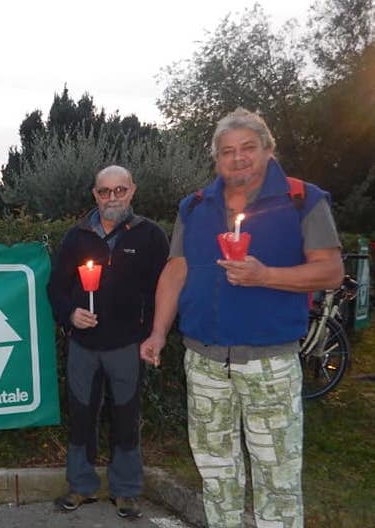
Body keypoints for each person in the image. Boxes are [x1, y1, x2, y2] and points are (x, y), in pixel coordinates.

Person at [140, 108, 344, 528]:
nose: (238, 158)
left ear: (269, 149)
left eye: (248, 148)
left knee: (277, 474)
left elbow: (330, 271)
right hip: (204, 361)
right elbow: (176, 270)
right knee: (216, 471)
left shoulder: (302, 199)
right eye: (227, 151)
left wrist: (265, 275)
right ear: (216, 159)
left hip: (269, 362)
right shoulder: (195, 206)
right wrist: (158, 331)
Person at [47, 165, 169, 520]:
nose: (112, 197)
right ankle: (81, 486)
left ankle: (126, 490)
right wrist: (70, 315)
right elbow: (56, 287)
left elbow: (163, 290)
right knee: (82, 415)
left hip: (128, 345)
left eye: (119, 190)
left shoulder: (150, 236)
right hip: (84, 345)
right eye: (105, 191)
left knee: (126, 416)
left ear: (132, 191)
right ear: (94, 195)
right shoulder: (76, 236)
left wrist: (155, 334)